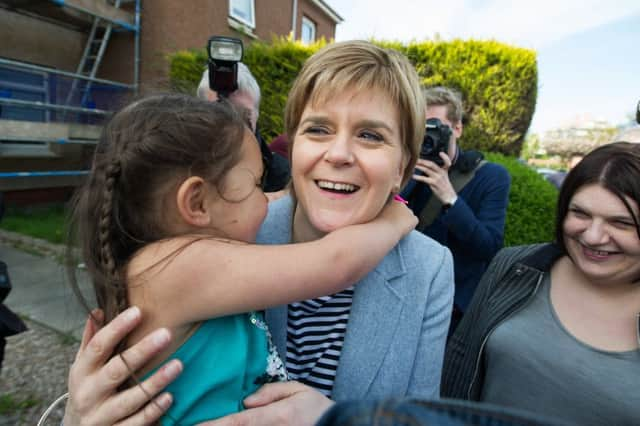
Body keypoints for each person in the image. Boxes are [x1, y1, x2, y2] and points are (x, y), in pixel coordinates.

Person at [61, 40, 455, 425]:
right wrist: (75, 418)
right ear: (293, 144)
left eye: (371, 135)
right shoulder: (225, 231)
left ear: (403, 164)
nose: (338, 154)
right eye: (318, 129)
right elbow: (102, 391)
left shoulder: (429, 268)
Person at [442, 141, 640, 425]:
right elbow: (458, 370)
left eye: (621, 223)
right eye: (580, 214)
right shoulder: (515, 266)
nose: (594, 236)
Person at [402, 86, 510, 331]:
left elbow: (489, 247)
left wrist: (450, 196)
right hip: (404, 292)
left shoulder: (491, 176)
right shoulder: (406, 168)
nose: (427, 135)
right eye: (421, 128)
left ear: (457, 128)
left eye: (434, 126)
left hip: (453, 308)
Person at [197, 63, 290, 193]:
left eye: (244, 115)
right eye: (219, 112)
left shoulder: (281, 174)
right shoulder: (182, 166)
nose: (231, 125)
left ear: (257, 115)